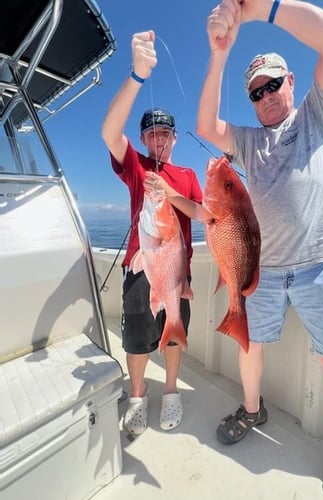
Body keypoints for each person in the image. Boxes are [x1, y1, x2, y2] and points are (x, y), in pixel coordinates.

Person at [197, 1, 323, 499]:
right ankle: (253, 409)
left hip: (322, 263)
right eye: (257, 91)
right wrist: (218, 54)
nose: (267, 95)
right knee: (248, 343)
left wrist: (262, 8)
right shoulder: (250, 142)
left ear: (291, 82)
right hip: (263, 268)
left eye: (273, 84)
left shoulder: (316, 114)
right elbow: (208, 127)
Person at [102, 30, 210, 435]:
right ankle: (137, 394)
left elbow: (202, 214)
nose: (158, 140)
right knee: (137, 339)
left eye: (164, 134)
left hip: (175, 269)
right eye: (151, 134)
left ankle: (170, 393)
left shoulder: (185, 174)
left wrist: (170, 195)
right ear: (145, 139)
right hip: (140, 266)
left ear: (174, 138)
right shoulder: (136, 167)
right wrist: (137, 75)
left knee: (172, 335)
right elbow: (111, 133)